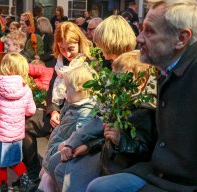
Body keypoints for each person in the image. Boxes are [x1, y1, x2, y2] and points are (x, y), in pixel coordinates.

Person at [87, 0, 197, 191]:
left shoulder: (194, 72)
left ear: (181, 38)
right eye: (141, 29)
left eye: (149, 31)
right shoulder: (167, 68)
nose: (138, 39)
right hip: (155, 171)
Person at [48, 15, 140, 192]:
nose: (97, 47)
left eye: (100, 44)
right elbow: (102, 115)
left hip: (113, 145)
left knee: (65, 173)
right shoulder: (112, 64)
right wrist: (75, 141)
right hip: (98, 135)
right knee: (55, 164)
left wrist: (86, 145)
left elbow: (110, 120)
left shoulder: (131, 68)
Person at [21, 21, 92, 188]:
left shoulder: (89, 62)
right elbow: (50, 90)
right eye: (62, 48)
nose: (67, 53)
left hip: (76, 115)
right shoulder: (59, 63)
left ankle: (46, 176)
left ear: (79, 43)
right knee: (23, 126)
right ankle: (33, 172)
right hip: (59, 112)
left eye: (71, 48)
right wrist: (52, 111)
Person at [0, 52, 37, 192]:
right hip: (16, 134)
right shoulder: (25, 89)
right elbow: (31, 110)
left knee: (1, 163)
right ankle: (25, 181)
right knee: (16, 160)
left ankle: (3, 187)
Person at [38, 64, 97, 192]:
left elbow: (78, 138)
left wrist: (51, 159)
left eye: (67, 90)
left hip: (60, 152)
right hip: (54, 149)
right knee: (44, 179)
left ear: (80, 90)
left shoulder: (84, 113)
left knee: (46, 182)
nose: (65, 93)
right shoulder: (73, 104)